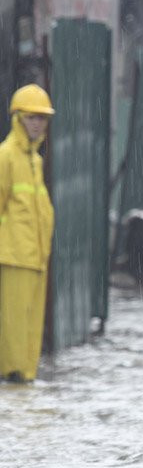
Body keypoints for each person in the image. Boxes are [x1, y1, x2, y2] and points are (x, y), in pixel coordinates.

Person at [0, 84, 55, 383]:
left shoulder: (34, 161)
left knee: (30, 327)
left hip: (36, 257)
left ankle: (24, 382)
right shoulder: (5, 156)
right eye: (32, 117)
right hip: (13, 257)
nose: (38, 123)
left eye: (42, 118)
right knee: (13, 327)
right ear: (17, 118)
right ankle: (12, 378)